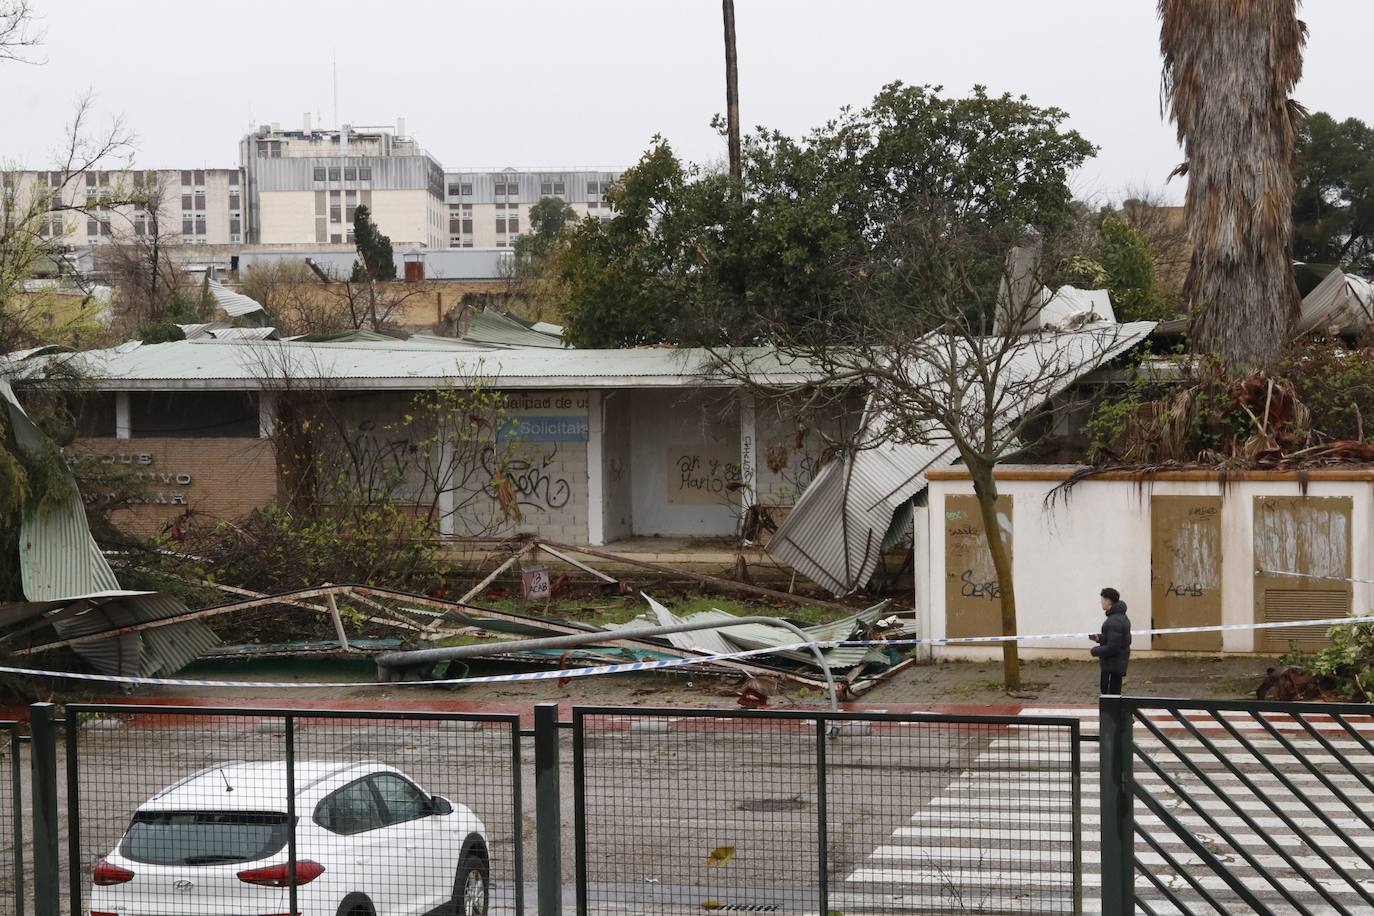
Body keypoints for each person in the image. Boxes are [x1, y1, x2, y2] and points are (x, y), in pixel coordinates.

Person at [1090, 587, 1131, 695]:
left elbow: (1113, 647)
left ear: (1108, 601)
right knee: (1113, 695)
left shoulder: (1114, 621)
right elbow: (1116, 639)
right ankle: (1113, 712)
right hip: (1115, 665)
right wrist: (1100, 638)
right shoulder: (1119, 617)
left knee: (1109, 696)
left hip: (1112, 666)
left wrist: (1095, 651)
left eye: (1102, 600)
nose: (1101, 603)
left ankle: (1111, 713)